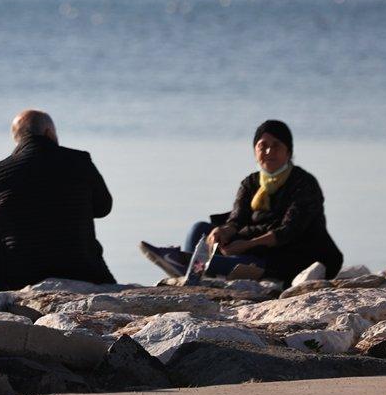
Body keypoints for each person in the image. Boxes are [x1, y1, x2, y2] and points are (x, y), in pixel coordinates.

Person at [0, 109, 115, 297]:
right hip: (81, 269)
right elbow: (103, 208)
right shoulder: (81, 161)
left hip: (16, 276)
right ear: (49, 132)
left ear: (17, 138)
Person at [139, 119, 343, 283]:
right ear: (255, 151)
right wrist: (223, 231)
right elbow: (237, 219)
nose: (269, 151)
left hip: (292, 255)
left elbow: (288, 231)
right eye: (263, 146)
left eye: (276, 146)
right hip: (251, 246)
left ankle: (187, 266)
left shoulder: (304, 183)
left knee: (228, 263)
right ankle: (190, 268)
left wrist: (245, 245)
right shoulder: (250, 182)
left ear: (288, 152)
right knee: (200, 229)